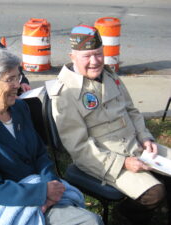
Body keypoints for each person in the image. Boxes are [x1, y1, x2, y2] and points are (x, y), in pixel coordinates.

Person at [0, 46, 103, 225]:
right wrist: (41, 194)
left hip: (44, 189)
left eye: (17, 77)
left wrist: (51, 187)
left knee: (91, 221)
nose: (17, 85)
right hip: (10, 204)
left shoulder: (20, 108)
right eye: (9, 79)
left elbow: (40, 155)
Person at [49, 24, 171, 225]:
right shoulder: (65, 94)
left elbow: (131, 110)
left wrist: (145, 137)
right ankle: (124, 216)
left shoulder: (109, 76)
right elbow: (80, 149)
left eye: (98, 54)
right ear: (73, 57)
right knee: (154, 193)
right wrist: (123, 163)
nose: (95, 61)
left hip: (136, 146)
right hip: (105, 159)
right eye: (87, 56)